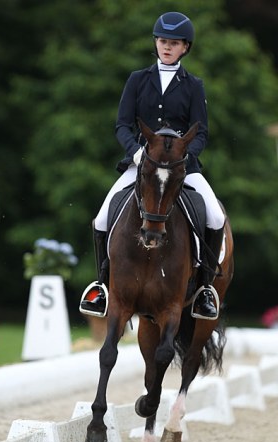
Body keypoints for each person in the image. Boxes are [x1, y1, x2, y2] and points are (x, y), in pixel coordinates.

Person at [80, 11, 225, 320]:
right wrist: (136, 154)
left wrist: (183, 158)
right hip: (142, 165)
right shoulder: (138, 79)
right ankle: (102, 285)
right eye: (162, 41)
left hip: (181, 168)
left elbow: (201, 131)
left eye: (173, 43)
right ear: (156, 44)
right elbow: (122, 125)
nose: (166, 47)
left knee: (214, 216)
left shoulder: (193, 85)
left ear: (185, 47)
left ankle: (203, 291)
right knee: (101, 217)